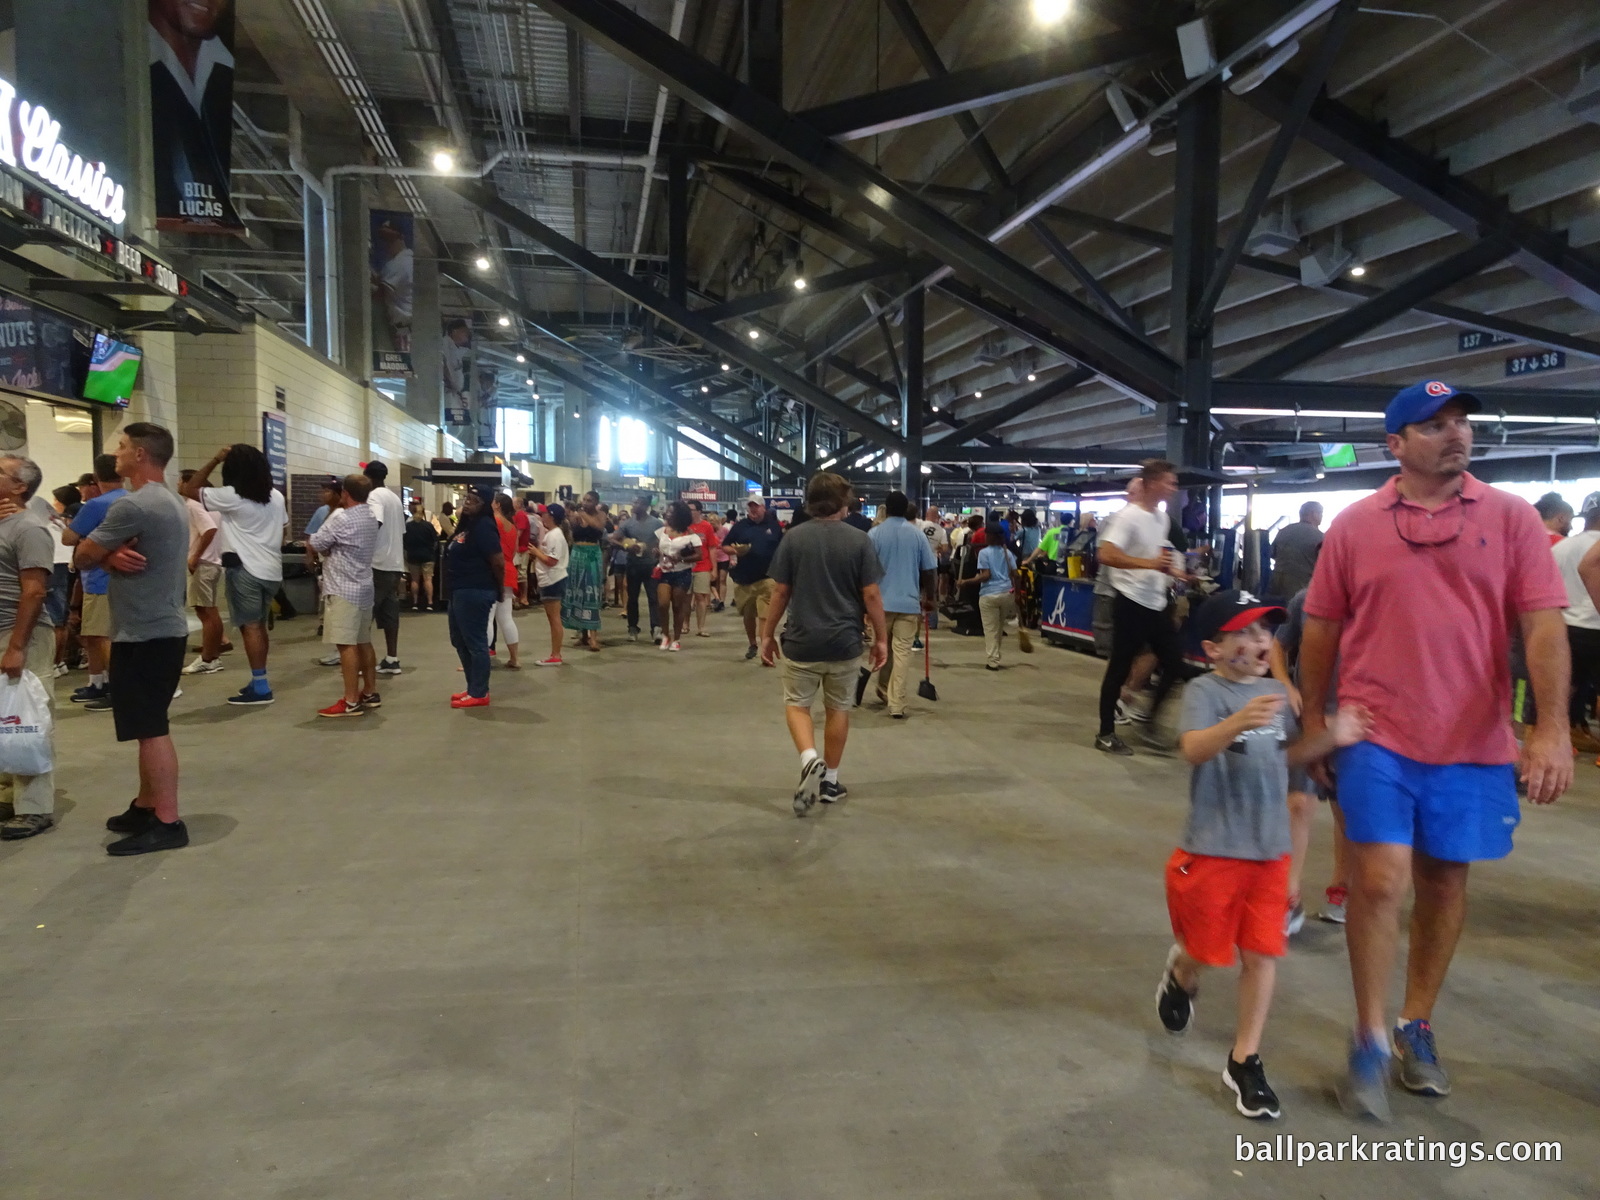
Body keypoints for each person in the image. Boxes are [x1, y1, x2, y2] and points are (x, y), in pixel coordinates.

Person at [1297, 381, 1573, 1120]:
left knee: (1445, 884)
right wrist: (1314, 723)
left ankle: (1415, 1023)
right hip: (1375, 733)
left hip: (1474, 737)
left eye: (1461, 423)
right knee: (1381, 881)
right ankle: (1367, 1038)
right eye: (1434, 426)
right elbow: (1320, 629)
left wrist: (1550, 728)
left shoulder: (1513, 520)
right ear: (1395, 445)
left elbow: (1544, 626)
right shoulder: (1355, 527)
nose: (1456, 435)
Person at [1156, 590, 1369, 1120]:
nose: (1257, 642)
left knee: (1262, 953)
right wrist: (1237, 723)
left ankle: (1244, 1058)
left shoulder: (1277, 694)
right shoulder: (1206, 692)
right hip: (1213, 847)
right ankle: (1181, 972)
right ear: (1212, 648)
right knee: (1207, 949)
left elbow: (1285, 758)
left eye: (1264, 632)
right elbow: (1193, 749)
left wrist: (1331, 737)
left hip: (1269, 851)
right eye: (1243, 633)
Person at [76, 423, 192, 855]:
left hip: (145, 632)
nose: (116, 455)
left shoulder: (135, 506)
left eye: (122, 447)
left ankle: (167, 820)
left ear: (141, 454)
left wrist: (103, 554)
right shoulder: (172, 501)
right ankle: (146, 805)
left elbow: (81, 554)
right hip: (159, 628)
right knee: (147, 725)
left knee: (150, 729)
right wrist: (111, 555)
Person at [760, 473, 886, 815]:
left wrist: (767, 634)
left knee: (798, 704)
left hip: (802, 641)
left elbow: (781, 592)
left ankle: (808, 759)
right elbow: (871, 594)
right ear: (842, 502)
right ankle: (830, 781)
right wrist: (881, 638)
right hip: (844, 642)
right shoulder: (860, 541)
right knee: (838, 708)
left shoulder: (794, 539)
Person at [1269, 588, 1352, 929]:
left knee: (1346, 810)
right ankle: (1290, 897)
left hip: (1355, 721)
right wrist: (1286, 685)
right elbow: (1279, 645)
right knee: (1299, 803)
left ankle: (1341, 890)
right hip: (1309, 715)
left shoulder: (1379, 599)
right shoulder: (1307, 598)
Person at [181, 444, 286, 706]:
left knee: (250, 628)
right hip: (271, 570)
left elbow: (188, 488)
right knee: (258, 627)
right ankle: (258, 680)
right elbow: (282, 530)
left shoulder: (232, 495)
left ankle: (261, 686)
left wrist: (215, 458)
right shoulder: (276, 496)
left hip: (245, 570)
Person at [1094, 460, 1185, 756]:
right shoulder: (1127, 517)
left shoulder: (1162, 519)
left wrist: (1174, 571)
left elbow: (1158, 555)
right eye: (1169, 482)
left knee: (1174, 661)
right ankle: (1106, 733)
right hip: (1130, 601)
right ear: (1153, 483)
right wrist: (1150, 564)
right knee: (1119, 667)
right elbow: (1106, 554)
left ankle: (1149, 720)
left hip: (1156, 603)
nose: (1174, 488)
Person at [0, 457, 58, 840]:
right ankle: (9, 795)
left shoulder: (29, 528)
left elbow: (34, 591)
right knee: (3, 719)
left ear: (19, 487)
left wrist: (17, 646)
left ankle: (34, 808)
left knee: (26, 720)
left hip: (20, 633)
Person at [308, 474, 380, 717]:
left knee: (346, 645)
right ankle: (369, 692)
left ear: (344, 494)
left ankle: (350, 700)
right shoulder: (370, 516)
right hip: (363, 585)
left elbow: (316, 543)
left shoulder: (342, 518)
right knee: (363, 641)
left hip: (342, 588)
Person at [63, 454, 125, 710]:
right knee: (94, 634)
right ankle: (97, 682)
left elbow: (68, 537)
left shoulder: (97, 505)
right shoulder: (129, 500)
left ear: (96, 478)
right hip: (119, 579)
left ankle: (117, 690)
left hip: (99, 578)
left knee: (101, 637)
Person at [867, 491, 935, 718]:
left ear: (886, 508)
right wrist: (931, 597)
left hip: (880, 604)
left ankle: (884, 686)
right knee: (902, 652)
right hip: (908, 602)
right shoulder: (917, 535)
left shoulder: (874, 534)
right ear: (906, 509)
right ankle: (896, 703)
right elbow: (929, 570)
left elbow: (864, 572)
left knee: (883, 647)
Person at [443, 485, 504, 708]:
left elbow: (497, 561)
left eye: (474, 500)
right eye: (467, 498)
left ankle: (480, 692)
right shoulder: (467, 526)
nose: (468, 502)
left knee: (476, 643)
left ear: (485, 504)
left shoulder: (484, 526)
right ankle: (472, 687)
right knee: (459, 640)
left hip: (475, 589)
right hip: (459, 589)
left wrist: (499, 590)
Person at [1549, 493, 1600, 755]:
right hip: (1595, 625)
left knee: (1566, 686)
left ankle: (1562, 736)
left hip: (1566, 625)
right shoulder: (1595, 550)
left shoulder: (1561, 547)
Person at [725, 493, 785, 661]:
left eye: (756, 506)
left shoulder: (774, 526)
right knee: (748, 615)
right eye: (750, 506)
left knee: (765, 615)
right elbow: (725, 546)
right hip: (744, 578)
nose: (752, 509)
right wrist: (736, 551)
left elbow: (781, 549)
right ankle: (752, 643)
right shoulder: (740, 526)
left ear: (763, 508)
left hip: (767, 577)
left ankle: (765, 649)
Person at [179, 468, 226, 675]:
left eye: (180, 481)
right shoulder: (212, 505)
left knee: (205, 611)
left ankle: (208, 658)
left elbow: (209, 530)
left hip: (204, 563)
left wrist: (195, 556)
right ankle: (213, 652)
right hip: (214, 561)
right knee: (208, 610)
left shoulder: (194, 505)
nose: (178, 485)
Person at [363, 461, 406, 675]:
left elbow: (375, 522)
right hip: (394, 565)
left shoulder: (374, 496)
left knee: (364, 614)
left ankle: (362, 662)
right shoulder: (395, 499)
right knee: (390, 614)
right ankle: (392, 658)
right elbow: (401, 532)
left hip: (376, 564)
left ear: (368, 477)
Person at [974, 521, 1027, 670]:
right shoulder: (1007, 552)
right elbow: (1016, 575)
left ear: (990, 536)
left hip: (988, 594)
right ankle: (996, 656)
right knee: (998, 628)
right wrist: (1016, 594)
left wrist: (966, 581)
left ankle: (993, 661)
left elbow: (985, 575)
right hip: (1006, 594)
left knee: (990, 629)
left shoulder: (984, 553)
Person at [614, 495, 663, 642]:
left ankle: (656, 628)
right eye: (634, 502)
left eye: (637, 503)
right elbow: (614, 538)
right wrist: (627, 545)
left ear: (645, 506)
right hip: (633, 566)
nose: (634, 505)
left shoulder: (656, 523)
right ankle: (632, 627)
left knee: (654, 598)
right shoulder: (627, 524)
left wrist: (658, 550)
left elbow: (664, 540)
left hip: (651, 565)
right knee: (632, 598)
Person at [654, 502, 702, 652]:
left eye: (671, 512)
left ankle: (676, 638)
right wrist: (656, 552)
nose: (667, 514)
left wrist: (681, 559)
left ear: (679, 515)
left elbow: (699, 555)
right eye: (667, 512)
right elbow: (656, 548)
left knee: (677, 606)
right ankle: (665, 635)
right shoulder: (661, 531)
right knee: (662, 604)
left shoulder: (691, 536)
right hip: (664, 571)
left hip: (682, 572)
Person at [564, 491, 606, 651]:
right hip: (577, 553)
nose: (585, 502)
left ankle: (593, 637)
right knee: (577, 592)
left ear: (596, 502)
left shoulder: (600, 515)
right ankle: (582, 634)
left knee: (591, 593)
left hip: (592, 554)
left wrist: (581, 514)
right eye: (584, 500)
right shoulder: (576, 516)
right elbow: (571, 534)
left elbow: (599, 527)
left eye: (589, 500)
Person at [489, 494, 522, 669]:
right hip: (509, 570)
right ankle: (515, 658)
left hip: (494, 571)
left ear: (498, 505)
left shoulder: (495, 521)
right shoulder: (512, 526)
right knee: (506, 618)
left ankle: (481, 659)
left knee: (487, 618)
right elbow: (515, 551)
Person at [1267, 502, 1324, 599]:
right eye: (1321, 514)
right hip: (1300, 588)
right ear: (1314, 514)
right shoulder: (1320, 537)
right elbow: (1325, 565)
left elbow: (1272, 554)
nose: (1322, 517)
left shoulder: (1284, 531)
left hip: (1275, 585)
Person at [686, 500, 718, 637]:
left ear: (699, 511)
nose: (689, 512)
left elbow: (712, 548)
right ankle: (685, 624)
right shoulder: (683, 526)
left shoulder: (707, 527)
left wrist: (714, 568)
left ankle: (701, 627)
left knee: (701, 596)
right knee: (686, 598)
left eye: (692, 510)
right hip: (686, 565)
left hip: (703, 566)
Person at [404, 498, 439, 612]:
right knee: (427, 579)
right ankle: (429, 603)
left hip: (413, 555)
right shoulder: (428, 525)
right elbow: (435, 540)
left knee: (414, 580)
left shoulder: (408, 526)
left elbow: (404, 541)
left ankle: (415, 602)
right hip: (428, 556)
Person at [514, 496, 536, 606]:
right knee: (520, 574)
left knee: (521, 575)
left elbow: (519, 533)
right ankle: (521, 597)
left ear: (518, 504)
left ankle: (523, 597)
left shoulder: (520, 515)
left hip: (521, 549)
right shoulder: (519, 515)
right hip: (520, 548)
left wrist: (513, 546)